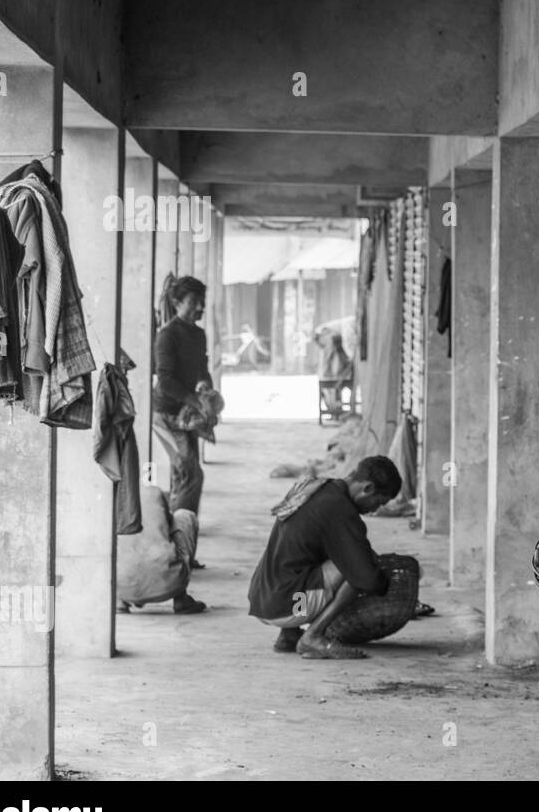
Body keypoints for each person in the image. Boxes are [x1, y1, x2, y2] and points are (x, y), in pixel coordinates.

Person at [248, 456, 402, 659]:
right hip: (292, 606)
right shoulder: (339, 509)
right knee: (360, 567)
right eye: (379, 502)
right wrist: (386, 583)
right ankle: (313, 636)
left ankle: (289, 634)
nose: (376, 509)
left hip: (263, 599)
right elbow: (369, 580)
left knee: (315, 555)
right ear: (368, 488)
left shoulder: (317, 488)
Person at [152, 275, 212, 568]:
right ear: (177, 303)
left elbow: (202, 368)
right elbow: (165, 382)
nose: (200, 307)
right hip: (166, 414)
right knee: (191, 474)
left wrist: (204, 387)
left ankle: (182, 552)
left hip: (186, 415)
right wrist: (193, 400)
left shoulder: (198, 335)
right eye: (193, 302)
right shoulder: (167, 335)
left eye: (202, 302)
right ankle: (174, 552)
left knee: (183, 477)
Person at [117, 485, 206, 615]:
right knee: (185, 517)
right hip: (170, 585)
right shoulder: (153, 492)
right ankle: (180, 598)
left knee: (117, 537)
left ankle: (119, 602)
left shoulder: (113, 496)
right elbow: (169, 522)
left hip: (124, 587)